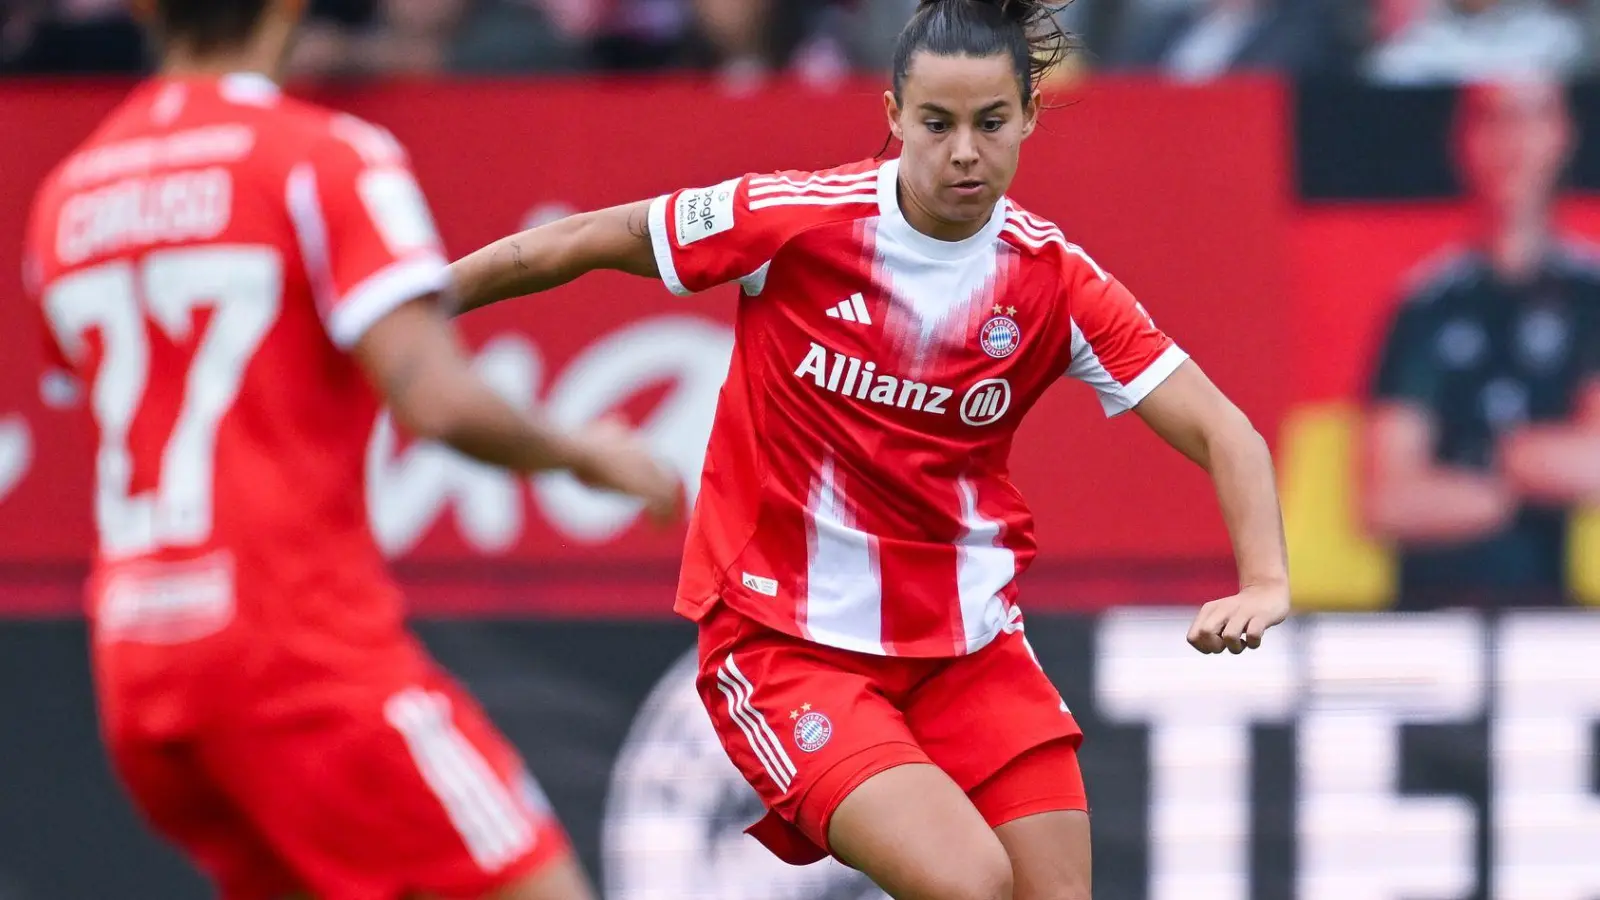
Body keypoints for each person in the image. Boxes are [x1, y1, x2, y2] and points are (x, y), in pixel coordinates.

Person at [449, 1, 1292, 897]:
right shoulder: (792, 220)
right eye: (936, 123)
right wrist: (407, 313)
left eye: (991, 122)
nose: (964, 150)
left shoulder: (1055, 281)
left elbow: (1222, 428)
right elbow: (575, 242)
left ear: (1030, 118)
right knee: (970, 882)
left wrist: (1266, 579)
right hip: (785, 647)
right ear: (893, 116)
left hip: (969, 651)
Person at [19, 1, 682, 898]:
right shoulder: (324, 159)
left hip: (141, 669)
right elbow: (437, 400)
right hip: (295, 657)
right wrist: (584, 453)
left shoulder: (69, 196)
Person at [1363, 77, 1600, 609]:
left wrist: (1474, 463)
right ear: (1463, 140)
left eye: (1531, 116)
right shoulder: (1425, 305)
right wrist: (1525, 473)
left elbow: (1595, 463)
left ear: (1562, 133)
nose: (1513, 140)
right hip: (1427, 617)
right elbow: (1386, 501)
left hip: (1554, 619)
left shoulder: (1591, 295)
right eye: (1493, 119)